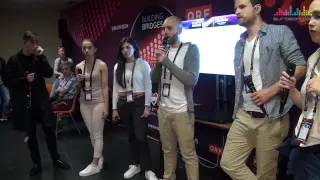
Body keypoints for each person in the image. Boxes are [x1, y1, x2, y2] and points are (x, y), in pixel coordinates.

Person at [219, 0, 307, 179]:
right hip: (244, 115)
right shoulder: (239, 44)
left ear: (257, 8)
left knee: (265, 175)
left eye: (242, 7)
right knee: (228, 162)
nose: (237, 11)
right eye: (235, 8)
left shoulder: (279, 32)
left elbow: (300, 65)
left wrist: (272, 90)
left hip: (271, 117)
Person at [2, 31, 70, 176]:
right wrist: (23, 80)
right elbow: (8, 81)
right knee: (31, 136)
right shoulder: (14, 60)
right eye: (32, 43)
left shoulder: (38, 58)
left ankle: (56, 159)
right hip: (26, 106)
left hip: (42, 104)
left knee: (49, 133)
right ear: (25, 42)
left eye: (37, 43)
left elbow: (49, 73)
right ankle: (37, 164)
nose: (35, 46)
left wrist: (42, 57)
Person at [151, 16, 200, 180]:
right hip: (163, 109)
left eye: (169, 28)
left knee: (188, 155)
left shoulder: (191, 50)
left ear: (179, 30)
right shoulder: (163, 51)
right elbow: (153, 78)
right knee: (167, 150)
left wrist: (167, 63)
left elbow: (191, 80)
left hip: (182, 112)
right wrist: (159, 62)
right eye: (163, 29)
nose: (165, 32)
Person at [278, 1, 320, 179]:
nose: (310, 22)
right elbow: (307, 104)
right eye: (311, 16)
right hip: (305, 145)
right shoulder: (313, 58)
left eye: (318, 16)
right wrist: (292, 89)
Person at [112, 37, 158, 180]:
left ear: (134, 48)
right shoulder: (117, 67)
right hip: (124, 103)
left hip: (139, 103)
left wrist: (147, 106)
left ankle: (148, 168)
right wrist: (114, 108)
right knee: (130, 136)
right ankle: (134, 164)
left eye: (128, 47)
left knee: (141, 136)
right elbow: (115, 89)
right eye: (123, 48)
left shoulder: (143, 65)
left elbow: (148, 86)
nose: (125, 50)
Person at [75, 38, 109, 177]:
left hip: (98, 102)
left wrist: (107, 106)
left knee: (97, 133)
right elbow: (77, 90)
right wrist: (78, 81)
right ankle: (99, 157)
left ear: (95, 49)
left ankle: (94, 164)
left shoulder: (101, 65)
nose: (86, 50)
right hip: (84, 103)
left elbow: (105, 86)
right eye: (84, 48)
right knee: (91, 133)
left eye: (89, 48)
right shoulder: (78, 66)